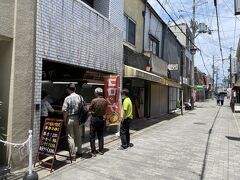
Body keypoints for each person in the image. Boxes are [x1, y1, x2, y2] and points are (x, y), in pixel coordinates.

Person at [62, 83, 83, 160]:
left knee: (70, 137)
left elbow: (65, 111)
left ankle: (73, 155)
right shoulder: (80, 97)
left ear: (68, 89)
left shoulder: (67, 98)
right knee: (78, 135)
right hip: (78, 118)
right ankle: (80, 152)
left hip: (70, 118)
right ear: (75, 89)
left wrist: (64, 120)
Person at [89, 88, 107, 156]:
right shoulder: (105, 101)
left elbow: (90, 109)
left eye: (95, 92)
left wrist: (92, 111)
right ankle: (101, 150)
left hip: (94, 118)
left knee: (92, 135)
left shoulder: (94, 100)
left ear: (96, 93)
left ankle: (93, 151)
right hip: (101, 118)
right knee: (100, 135)